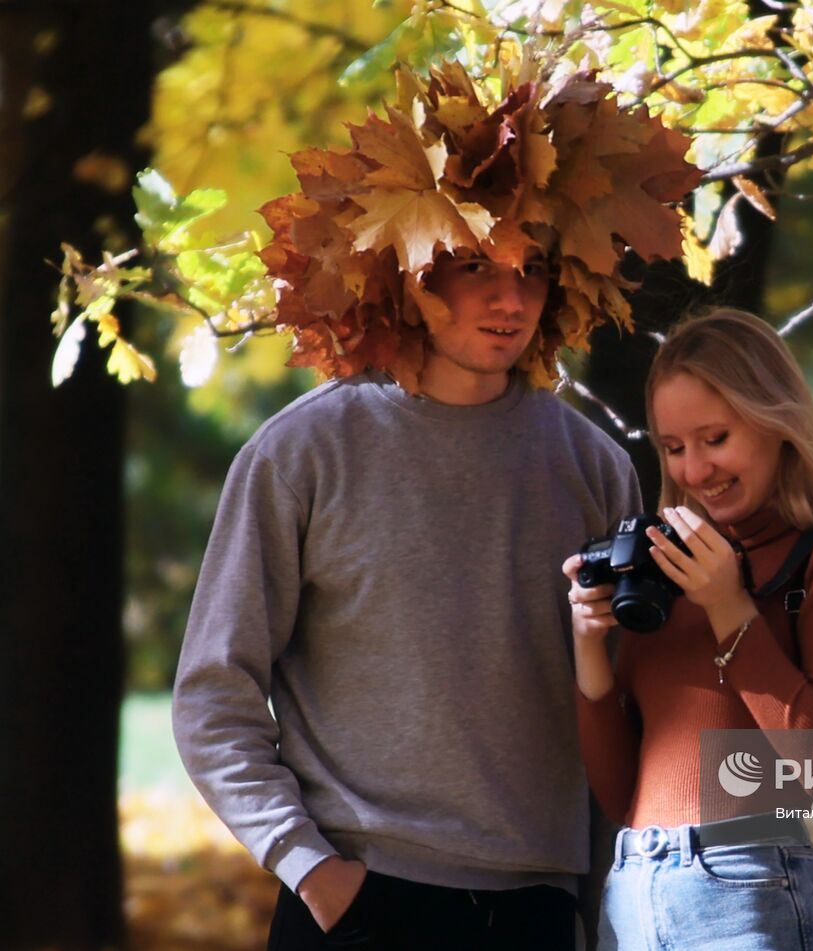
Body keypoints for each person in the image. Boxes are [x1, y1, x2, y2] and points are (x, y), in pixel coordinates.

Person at [173, 60, 698, 949]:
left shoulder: (594, 464)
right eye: (473, 267)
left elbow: (627, 711)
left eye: (532, 269)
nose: (511, 297)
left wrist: (604, 909)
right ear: (410, 276)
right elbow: (213, 693)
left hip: (536, 906)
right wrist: (309, 867)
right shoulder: (302, 452)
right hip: (355, 897)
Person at [564, 308, 813, 950]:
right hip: (635, 888)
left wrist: (729, 607)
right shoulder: (665, 575)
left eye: (715, 438)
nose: (694, 471)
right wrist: (589, 648)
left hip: (750, 890)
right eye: (673, 448)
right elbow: (619, 796)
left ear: (778, 423)